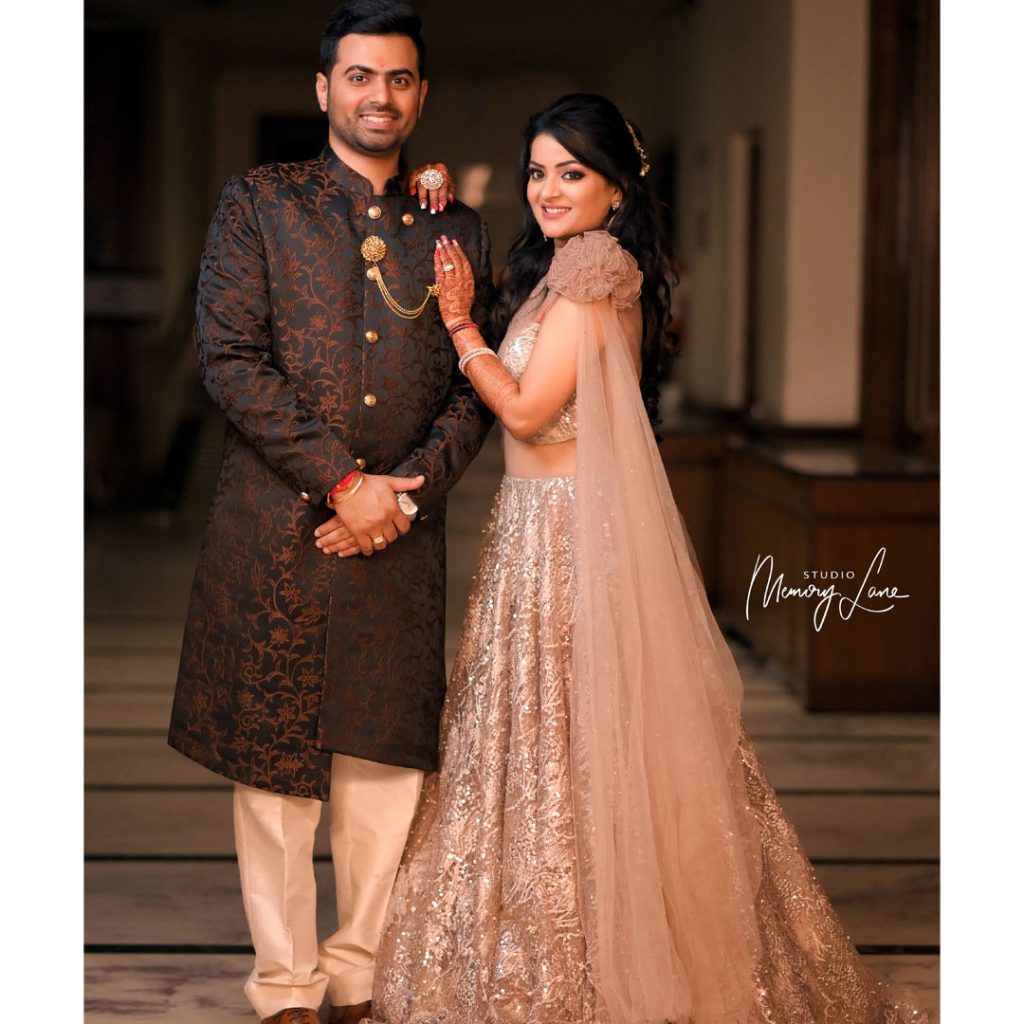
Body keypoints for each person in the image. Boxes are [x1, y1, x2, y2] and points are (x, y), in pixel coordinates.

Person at [317, 94, 931, 1023]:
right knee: (545, 743)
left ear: (616, 188)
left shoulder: (597, 272)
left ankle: (581, 955)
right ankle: (540, 932)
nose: (549, 190)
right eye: (537, 172)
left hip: (568, 534)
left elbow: (523, 411)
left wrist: (458, 325)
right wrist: (435, 204)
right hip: (537, 523)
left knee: (572, 740)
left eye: (572, 173)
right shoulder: (561, 269)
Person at [166, 3, 493, 1023]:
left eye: (397, 79)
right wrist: (343, 482)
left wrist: (404, 492)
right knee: (275, 768)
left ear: (420, 94)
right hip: (276, 529)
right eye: (359, 76)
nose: (378, 96)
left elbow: (476, 385)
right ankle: (284, 987)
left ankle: (358, 977)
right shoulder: (259, 202)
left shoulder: (459, 225)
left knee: (384, 763)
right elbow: (231, 357)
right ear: (324, 90)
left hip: (401, 535)